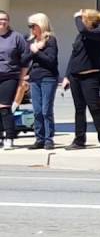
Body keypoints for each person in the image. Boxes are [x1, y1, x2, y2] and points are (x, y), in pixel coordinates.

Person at [62, 9, 100, 151]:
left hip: (91, 76)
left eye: (84, 19)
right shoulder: (80, 37)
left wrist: (77, 17)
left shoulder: (98, 33)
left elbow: (83, 31)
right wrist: (67, 76)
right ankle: (79, 140)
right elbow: (74, 56)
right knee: (79, 109)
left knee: (94, 108)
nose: (81, 21)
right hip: (75, 76)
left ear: (89, 20)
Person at [24, 13, 59, 150]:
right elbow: (23, 60)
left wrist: (37, 52)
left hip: (48, 77)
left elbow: (51, 61)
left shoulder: (50, 40)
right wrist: (33, 50)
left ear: (41, 24)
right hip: (34, 78)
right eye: (30, 26)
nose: (32, 28)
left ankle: (49, 139)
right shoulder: (32, 41)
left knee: (46, 110)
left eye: (34, 25)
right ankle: (39, 138)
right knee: (37, 111)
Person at [0, 11, 30, 150]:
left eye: (5, 19)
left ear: (9, 21)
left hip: (9, 76)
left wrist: (22, 78)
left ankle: (9, 137)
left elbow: (25, 60)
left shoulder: (16, 37)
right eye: (0, 19)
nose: (2, 22)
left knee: (4, 107)